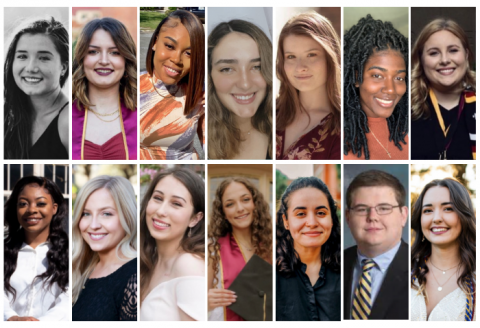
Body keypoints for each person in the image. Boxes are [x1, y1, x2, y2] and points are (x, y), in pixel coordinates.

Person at [140, 168, 205, 321]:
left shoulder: (189, 265)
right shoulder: (148, 260)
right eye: (157, 198)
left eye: (176, 203)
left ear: (195, 218)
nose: (161, 211)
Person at [140, 10, 205, 160]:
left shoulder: (200, 94)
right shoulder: (131, 86)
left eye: (189, 53)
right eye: (169, 46)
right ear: (155, 42)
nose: (176, 59)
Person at [344, 170, 409, 319]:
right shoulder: (333, 265)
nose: (372, 217)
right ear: (348, 217)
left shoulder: (421, 267)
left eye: (384, 208)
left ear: (403, 215)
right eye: (361, 209)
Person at [276, 13, 341, 160]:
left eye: (311, 55)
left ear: (330, 58)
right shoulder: (268, 113)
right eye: (291, 57)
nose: (300, 67)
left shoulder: (345, 126)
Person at [343, 15, 409, 160]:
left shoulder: (407, 135)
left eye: (399, 78)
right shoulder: (338, 140)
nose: (390, 89)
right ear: (356, 77)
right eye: (377, 75)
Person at [72, 176, 137, 321]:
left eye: (106, 214)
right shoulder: (80, 267)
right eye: (86, 213)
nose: (93, 225)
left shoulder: (134, 277)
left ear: (127, 217)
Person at [4, 176, 69, 321]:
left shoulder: (70, 252)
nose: (31, 210)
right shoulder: (4, 251)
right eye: (23, 204)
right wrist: (11, 318)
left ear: (54, 208)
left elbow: (69, 299)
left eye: (40, 203)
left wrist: (40, 323)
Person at [72, 17, 137, 160]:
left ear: (126, 59)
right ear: (82, 58)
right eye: (93, 52)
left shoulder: (142, 113)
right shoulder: (64, 115)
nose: (104, 61)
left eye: (115, 52)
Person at [276, 177, 340, 321]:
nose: (311, 223)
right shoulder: (265, 268)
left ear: (331, 218)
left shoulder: (350, 268)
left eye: (321, 213)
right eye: (300, 214)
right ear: (286, 221)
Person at [411, 178, 476, 321]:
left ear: (463, 215)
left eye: (448, 209)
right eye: (428, 210)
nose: (436, 218)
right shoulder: (404, 271)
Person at [208, 177, 272, 320]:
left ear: (255, 204)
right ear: (223, 213)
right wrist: (206, 301)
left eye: (245, 200)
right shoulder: (213, 248)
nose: (240, 208)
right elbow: (196, 301)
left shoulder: (272, 245)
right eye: (230, 204)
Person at [4, 18, 69, 159]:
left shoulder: (69, 122)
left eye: (44, 58)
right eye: (22, 56)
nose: (31, 68)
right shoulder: (7, 113)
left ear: (63, 67)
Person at [411, 19, 476, 160]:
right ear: (421, 60)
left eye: (453, 50)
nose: (445, 60)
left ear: (466, 54)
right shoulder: (404, 108)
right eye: (434, 53)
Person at [208, 20, 272, 159]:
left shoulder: (284, 136)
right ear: (210, 76)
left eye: (257, 67)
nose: (245, 84)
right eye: (227, 69)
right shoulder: (199, 139)